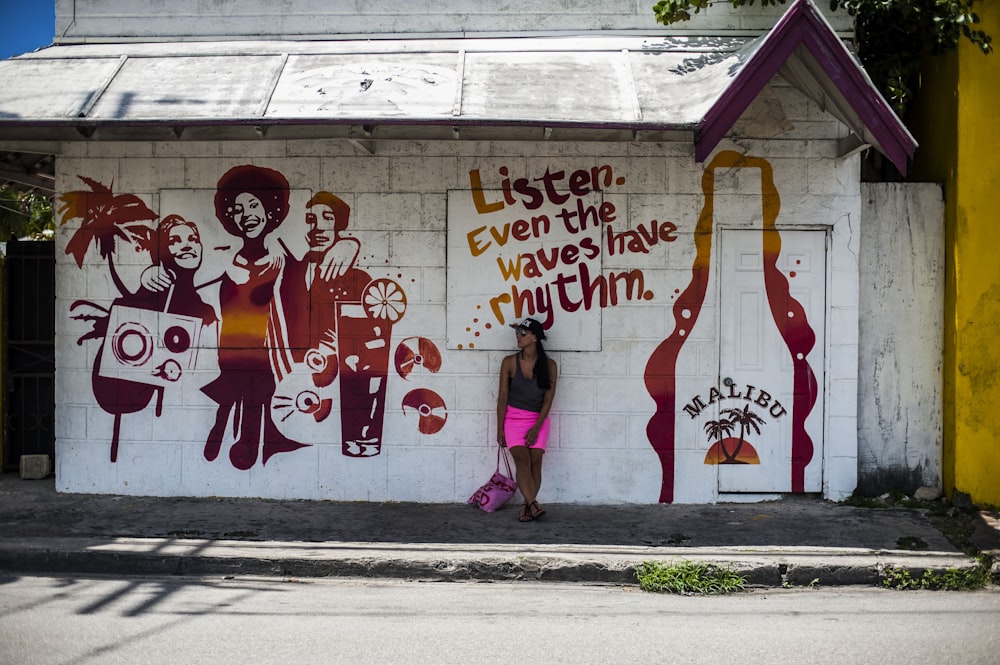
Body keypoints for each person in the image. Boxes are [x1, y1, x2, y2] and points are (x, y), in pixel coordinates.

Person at [496, 317, 558, 522]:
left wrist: (536, 427)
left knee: (535, 462)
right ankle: (533, 503)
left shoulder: (549, 365)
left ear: (535, 338)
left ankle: (526, 506)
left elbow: (548, 400)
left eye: (523, 333)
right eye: (517, 332)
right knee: (522, 460)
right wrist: (499, 429)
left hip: (538, 420)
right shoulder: (509, 362)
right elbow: (503, 397)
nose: (518, 336)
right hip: (513, 419)